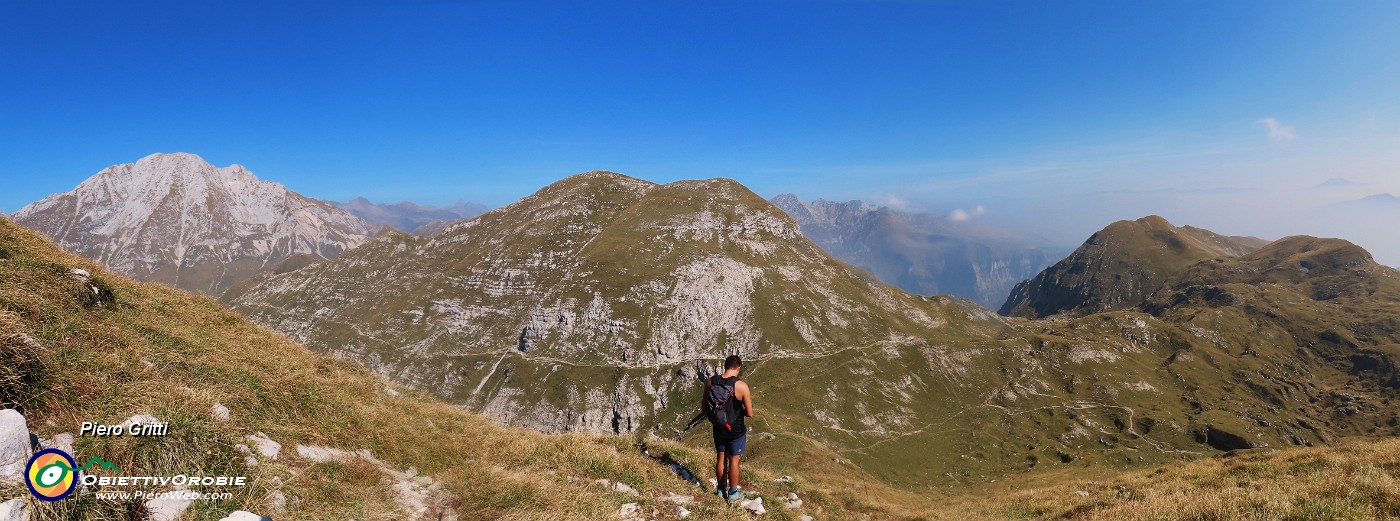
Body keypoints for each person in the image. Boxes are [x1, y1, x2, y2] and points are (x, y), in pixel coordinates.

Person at [703, 354, 753, 502]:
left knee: (720, 458)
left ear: (725, 366)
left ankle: (720, 490)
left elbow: (704, 406)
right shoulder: (741, 385)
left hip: (718, 427)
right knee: (734, 460)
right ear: (738, 367)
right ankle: (732, 493)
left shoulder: (711, 381)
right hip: (735, 429)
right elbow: (750, 413)